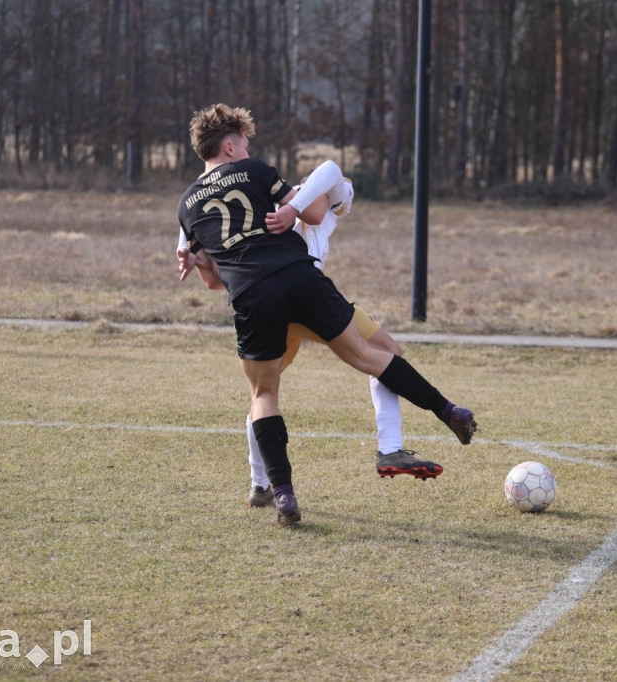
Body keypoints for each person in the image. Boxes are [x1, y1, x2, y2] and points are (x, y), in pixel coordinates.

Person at [175, 104, 476, 525]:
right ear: (229, 145)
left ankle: (280, 493)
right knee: (374, 357)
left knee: (263, 395)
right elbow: (318, 205)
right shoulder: (259, 173)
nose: (247, 149)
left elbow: (211, 283)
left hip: (253, 294)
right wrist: (293, 207)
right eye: (243, 143)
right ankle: (448, 411)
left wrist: (197, 258)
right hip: (301, 278)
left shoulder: (187, 205)